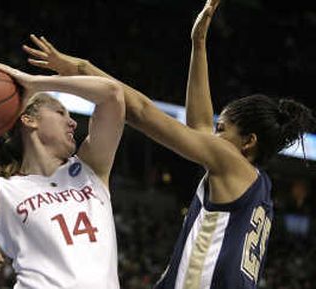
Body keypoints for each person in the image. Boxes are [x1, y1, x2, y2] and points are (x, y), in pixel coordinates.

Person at [20, 0, 315, 287]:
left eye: (222, 129)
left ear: (248, 142)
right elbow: (198, 126)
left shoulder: (229, 160)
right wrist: (198, 44)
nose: (213, 136)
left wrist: (81, 68)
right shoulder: (256, 185)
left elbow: (141, 111)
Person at [0, 67, 125, 288]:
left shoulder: (90, 168)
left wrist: (36, 82)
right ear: (29, 120)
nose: (73, 123)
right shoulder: (3, 190)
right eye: (61, 113)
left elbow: (112, 94)